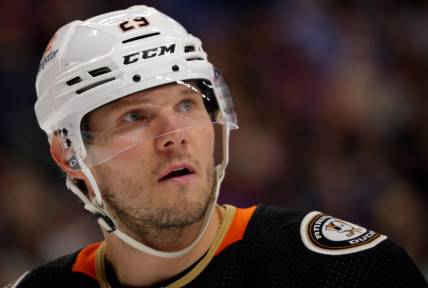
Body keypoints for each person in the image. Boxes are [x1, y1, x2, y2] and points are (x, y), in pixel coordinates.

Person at [9, 5, 427, 288]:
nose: (174, 134)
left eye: (187, 104)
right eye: (134, 116)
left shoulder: (343, 271)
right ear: (69, 155)